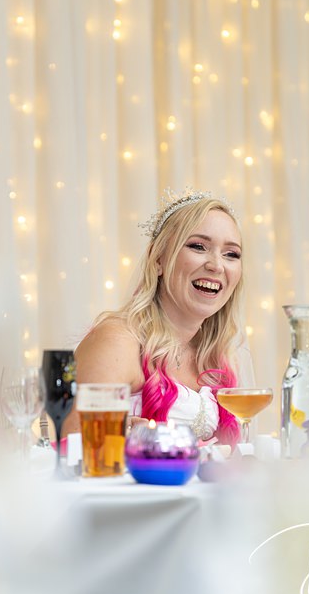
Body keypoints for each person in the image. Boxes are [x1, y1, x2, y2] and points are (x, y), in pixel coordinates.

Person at [62, 188, 254, 446]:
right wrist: (127, 438)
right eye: (198, 246)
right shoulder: (118, 340)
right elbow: (73, 446)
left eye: (231, 254)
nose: (217, 265)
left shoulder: (220, 357)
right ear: (158, 259)